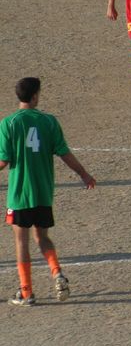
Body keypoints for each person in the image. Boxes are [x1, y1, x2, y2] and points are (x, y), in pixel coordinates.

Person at [1, 78, 96, 307]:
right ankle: (57, 273)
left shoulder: (9, 123)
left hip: (20, 194)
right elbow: (64, 153)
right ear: (35, 96)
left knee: (21, 241)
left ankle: (26, 292)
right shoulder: (49, 121)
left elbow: (3, 160)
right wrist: (84, 174)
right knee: (42, 237)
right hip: (43, 192)